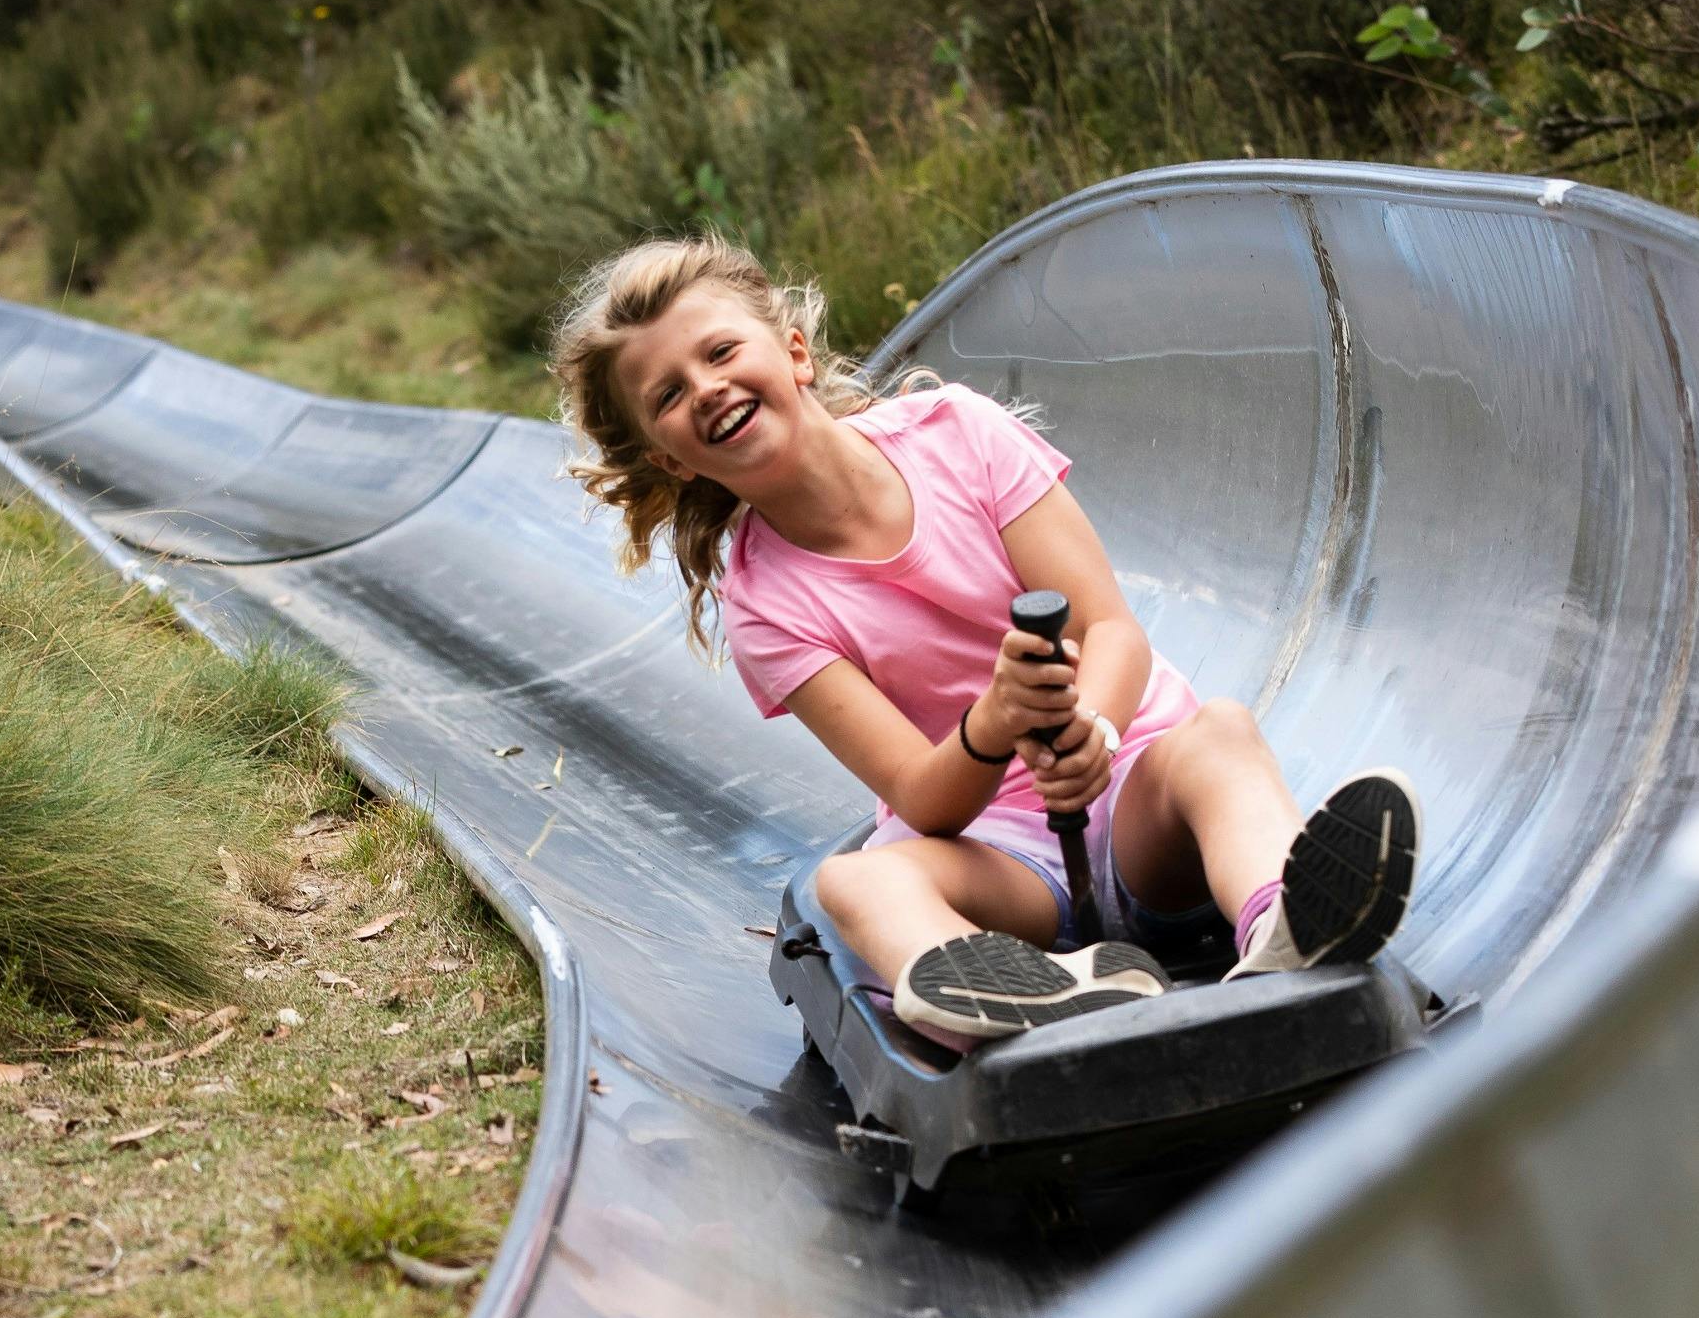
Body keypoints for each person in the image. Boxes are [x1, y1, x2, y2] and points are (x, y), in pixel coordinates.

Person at [546, 236, 1421, 1045]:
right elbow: (922, 801)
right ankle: (1042, 989)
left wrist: (1095, 734)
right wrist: (994, 721)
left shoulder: (960, 437)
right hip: (1005, 858)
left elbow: (1109, 627)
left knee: (1220, 732)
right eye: (668, 394)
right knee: (852, 882)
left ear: (795, 356)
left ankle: (1283, 923)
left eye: (721, 352)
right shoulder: (767, 608)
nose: (704, 387)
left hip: (1137, 797)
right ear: (670, 458)